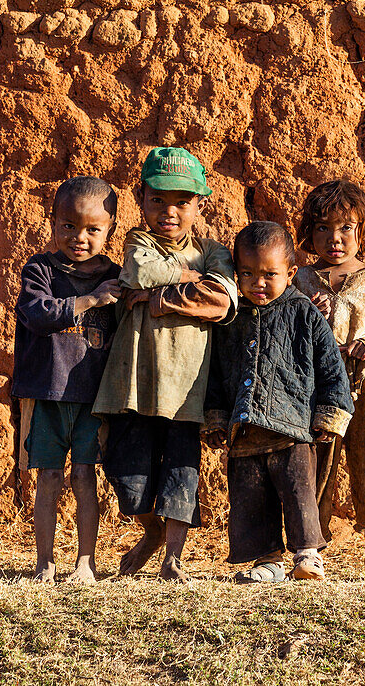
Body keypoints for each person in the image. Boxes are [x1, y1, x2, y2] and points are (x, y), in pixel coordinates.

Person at [92, 146, 237, 582]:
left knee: (180, 468)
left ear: (199, 204)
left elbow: (223, 300)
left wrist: (157, 300)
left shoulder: (214, 251)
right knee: (127, 470)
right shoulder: (138, 240)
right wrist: (190, 278)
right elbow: (138, 272)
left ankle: (173, 558)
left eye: (182, 201)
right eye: (158, 200)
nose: (169, 211)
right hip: (132, 383)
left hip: (186, 386)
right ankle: (150, 531)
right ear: (141, 200)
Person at [202, 221, 354, 583]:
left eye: (270, 274)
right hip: (245, 429)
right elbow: (216, 373)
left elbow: (331, 367)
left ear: (291, 273)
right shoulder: (231, 317)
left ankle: (308, 555)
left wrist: (329, 415)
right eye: (248, 274)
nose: (258, 283)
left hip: (293, 428)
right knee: (252, 498)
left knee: (299, 491)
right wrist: (214, 418)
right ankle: (267, 560)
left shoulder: (304, 312)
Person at [293, 179, 365, 583]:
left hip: (361, 389)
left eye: (345, 228)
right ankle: (311, 552)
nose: (334, 239)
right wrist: (309, 314)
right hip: (315, 393)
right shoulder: (302, 282)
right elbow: (288, 330)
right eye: (322, 228)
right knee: (316, 468)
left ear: (364, 230)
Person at [12, 176, 122, 584]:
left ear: (110, 228)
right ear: (53, 222)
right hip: (48, 393)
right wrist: (90, 300)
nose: (79, 237)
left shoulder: (116, 275)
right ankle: (44, 563)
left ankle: (85, 563)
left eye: (93, 229)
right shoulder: (39, 270)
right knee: (49, 477)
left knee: (83, 477)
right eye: (68, 226)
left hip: (93, 399)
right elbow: (37, 314)